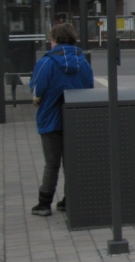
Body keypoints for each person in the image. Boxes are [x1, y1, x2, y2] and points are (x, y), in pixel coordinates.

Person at [29, 23, 94, 216]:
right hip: (76, 119)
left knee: (52, 163)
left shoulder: (46, 63)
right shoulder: (83, 62)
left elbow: (36, 89)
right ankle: (68, 200)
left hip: (50, 118)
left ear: (55, 40)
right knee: (72, 162)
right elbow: (88, 87)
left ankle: (44, 204)